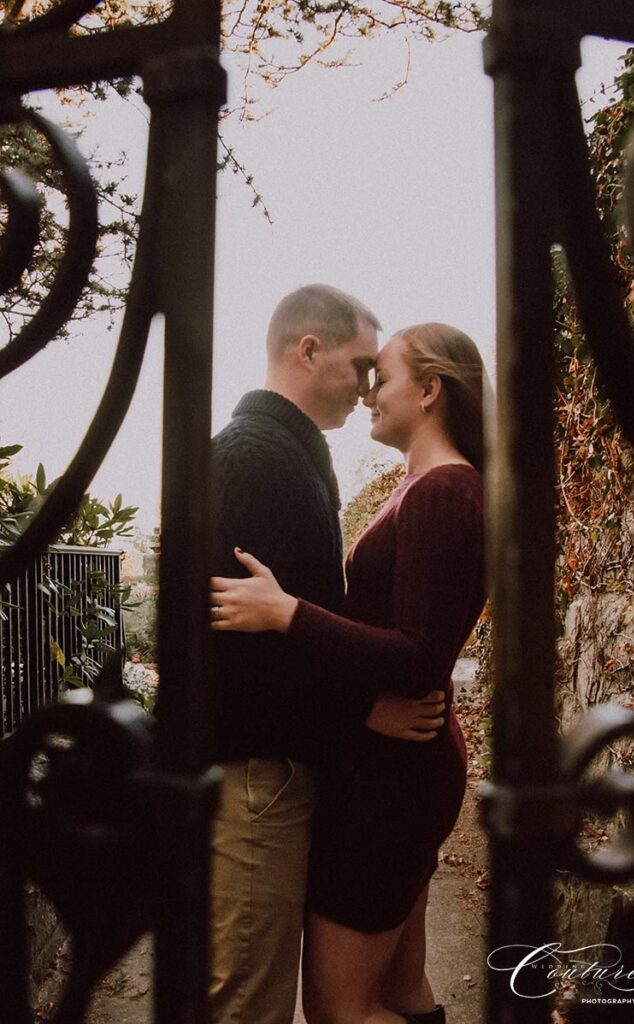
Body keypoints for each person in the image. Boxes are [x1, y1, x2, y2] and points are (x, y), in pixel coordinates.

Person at [210, 322, 487, 1024]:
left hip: (393, 781)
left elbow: (421, 652)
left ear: (430, 391)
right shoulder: (421, 485)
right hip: (397, 766)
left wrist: (287, 613)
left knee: (341, 1007)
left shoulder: (444, 492)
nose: (369, 393)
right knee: (396, 992)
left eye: (382, 376)